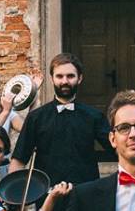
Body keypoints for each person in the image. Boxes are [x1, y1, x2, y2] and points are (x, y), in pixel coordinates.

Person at [9, 53, 110, 188]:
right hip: (46, 193)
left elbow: (117, 149)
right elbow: (19, 160)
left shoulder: (94, 116)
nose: (64, 81)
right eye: (59, 76)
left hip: (85, 192)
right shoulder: (36, 117)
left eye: (70, 76)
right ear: (52, 79)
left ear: (80, 78)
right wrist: (12, 195)